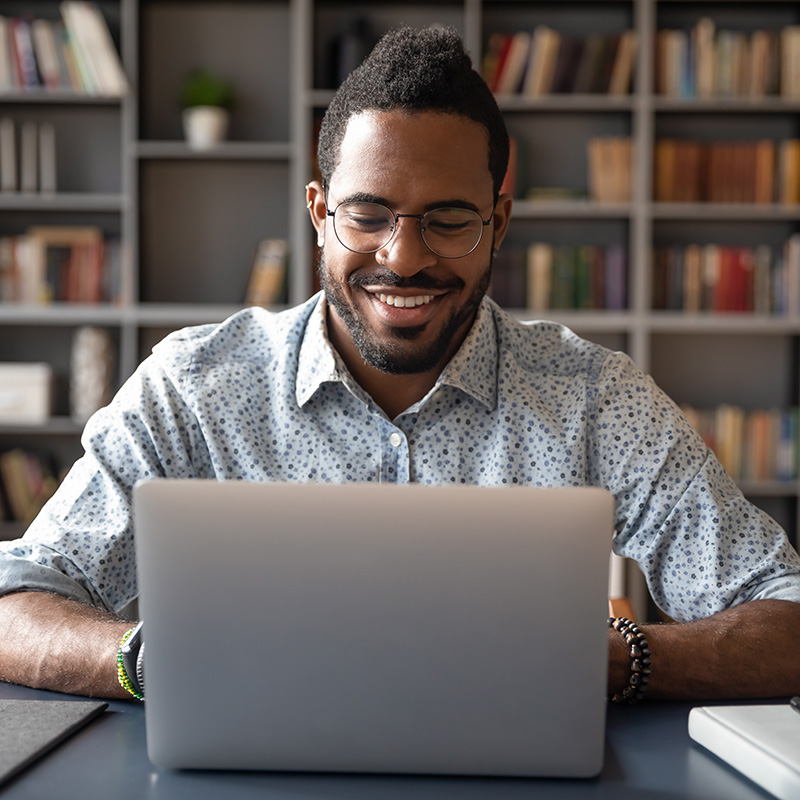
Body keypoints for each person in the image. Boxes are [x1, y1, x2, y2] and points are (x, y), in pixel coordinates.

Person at [1, 26, 799, 703]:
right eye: (368, 214)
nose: (403, 256)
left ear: (499, 220)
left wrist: (625, 661)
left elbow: (786, 615)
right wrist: (154, 660)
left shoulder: (595, 398)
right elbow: (15, 604)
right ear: (320, 213)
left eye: (449, 220)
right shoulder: (196, 386)